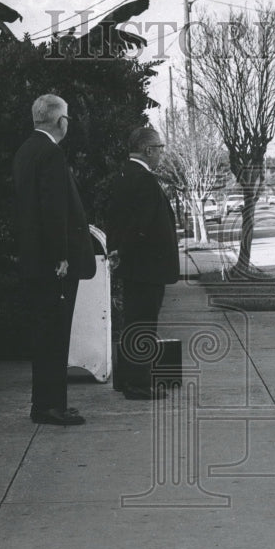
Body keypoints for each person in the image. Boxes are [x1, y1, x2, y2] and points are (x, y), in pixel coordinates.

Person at [13, 94, 96, 426]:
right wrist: (61, 255)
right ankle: (51, 407)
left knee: (45, 334)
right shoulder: (50, 153)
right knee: (55, 335)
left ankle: (44, 403)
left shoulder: (25, 151)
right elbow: (53, 210)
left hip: (34, 259)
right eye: (67, 117)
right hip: (53, 263)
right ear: (59, 121)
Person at [106, 126, 179, 400]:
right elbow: (142, 226)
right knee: (144, 324)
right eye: (160, 148)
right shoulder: (144, 180)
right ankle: (138, 383)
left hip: (135, 265)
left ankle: (129, 378)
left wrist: (119, 251)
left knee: (133, 322)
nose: (161, 153)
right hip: (147, 266)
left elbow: (118, 219)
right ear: (148, 150)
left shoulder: (124, 175)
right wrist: (127, 250)